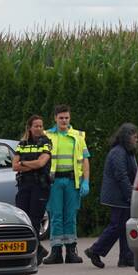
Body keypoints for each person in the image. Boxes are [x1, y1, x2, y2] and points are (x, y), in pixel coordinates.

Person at [84, 123, 138, 268]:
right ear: (127, 137)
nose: (136, 139)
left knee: (124, 226)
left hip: (120, 195)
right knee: (117, 226)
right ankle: (95, 250)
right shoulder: (118, 152)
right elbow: (121, 176)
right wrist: (130, 195)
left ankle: (126, 257)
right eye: (134, 136)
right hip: (118, 196)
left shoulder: (125, 151)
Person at [44, 104, 90, 264]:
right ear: (55, 118)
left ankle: (71, 251)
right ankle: (56, 252)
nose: (64, 121)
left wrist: (86, 181)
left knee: (70, 216)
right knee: (56, 216)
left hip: (72, 181)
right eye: (61, 118)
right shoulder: (47, 136)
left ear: (70, 118)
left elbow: (85, 160)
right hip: (54, 181)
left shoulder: (78, 136)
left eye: (66, 118)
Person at [12, 115, 52, 265]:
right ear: (29, 127)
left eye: (41, 126)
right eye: (36, 126)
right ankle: (37, 250)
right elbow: (14, 166)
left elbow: (41, 163)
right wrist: (30, 164)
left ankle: (34, 253)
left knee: (35, 220)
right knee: (23, 219)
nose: (39, 128)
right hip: (24, 185)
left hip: (40, 186)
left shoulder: (46, 142)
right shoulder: (22, 144)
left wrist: (23, 163)